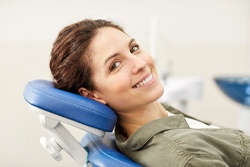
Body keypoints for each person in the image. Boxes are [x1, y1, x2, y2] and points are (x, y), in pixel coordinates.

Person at [50, 19, 250, 167]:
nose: (140, 63)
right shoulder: (186, 157)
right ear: (93, 95)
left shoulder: (161, 116)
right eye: (115, 65)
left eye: (134, 48)